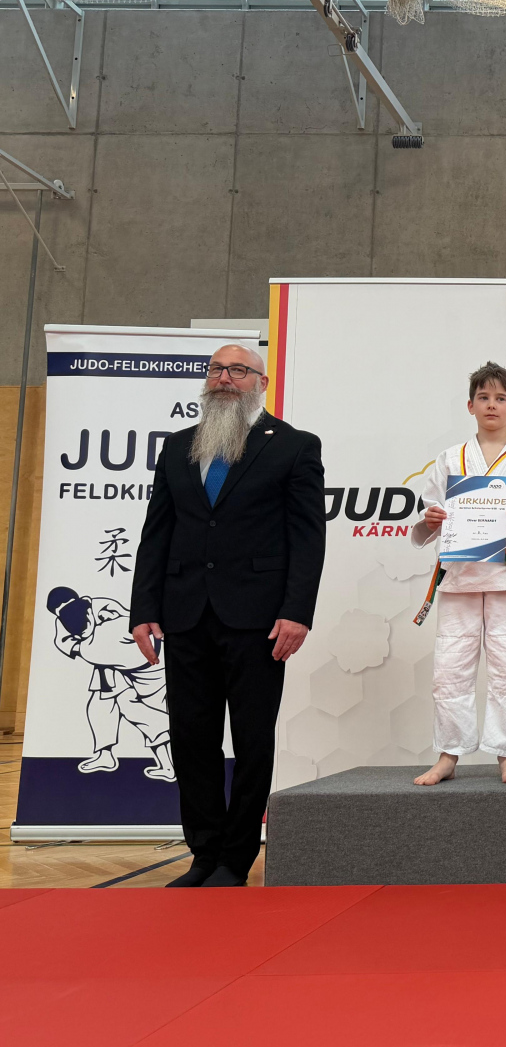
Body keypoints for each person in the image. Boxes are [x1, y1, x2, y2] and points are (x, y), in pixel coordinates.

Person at [130, 343, 325, 887]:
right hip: (185, 614)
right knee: (191, 739)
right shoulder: (178, 447)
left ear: (261, 383)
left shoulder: (294, 446)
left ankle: (235, 860)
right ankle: (203, 853)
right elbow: (157, 533)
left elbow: (307, 538)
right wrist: (143, 608)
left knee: (252, 741)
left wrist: (297, 612)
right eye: (217, 369)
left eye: (238, 370)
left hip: (258, 619)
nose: (224, 379)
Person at [410, 362, 506, 786]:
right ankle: (448, 754)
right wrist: (433, 518)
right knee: (450, 668)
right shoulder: (451, 458)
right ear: (470, 406)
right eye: (483, 398)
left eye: (500, 398)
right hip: (460, 576)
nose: (491, 405)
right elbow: (427, 510)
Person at [49, 587, 174, 781]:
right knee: (103, 703)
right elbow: (67, 643)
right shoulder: (88, 643)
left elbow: (138, 627)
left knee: (138, 708)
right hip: (118, 666)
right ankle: (106, 755)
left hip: (151, 668)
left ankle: (167, 762)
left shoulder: (104, 615)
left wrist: (117, 620)